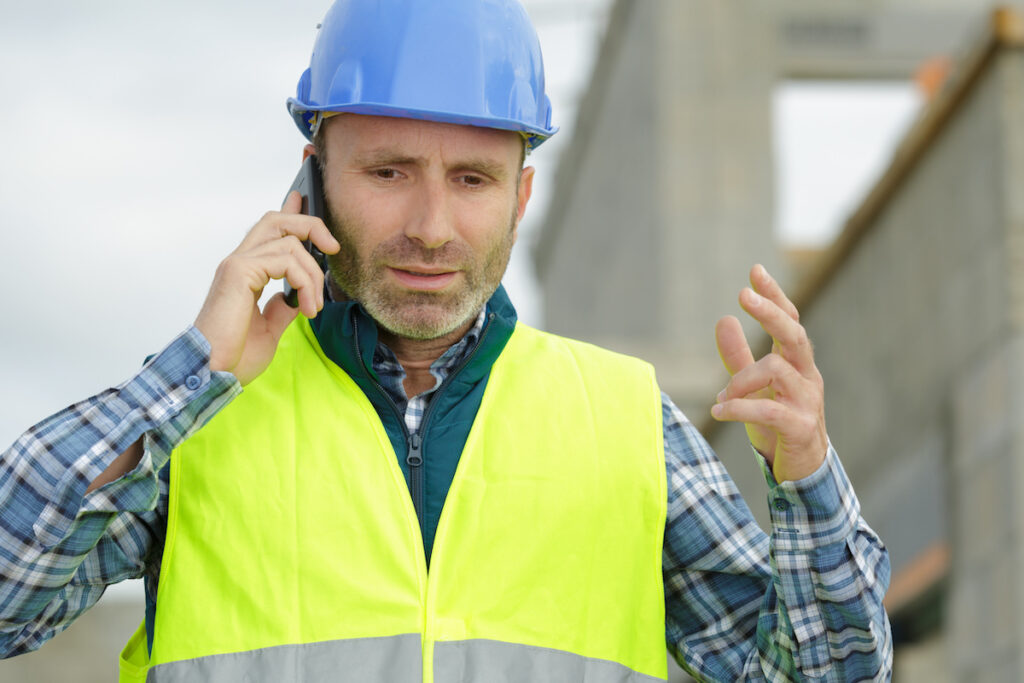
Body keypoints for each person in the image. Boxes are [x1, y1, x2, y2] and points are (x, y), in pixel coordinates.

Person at [0, 1, 892, 681]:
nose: (432, 226)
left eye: (472, 179)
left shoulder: (626, 421)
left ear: (522, 197)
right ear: (311, 180)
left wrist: (806, 481)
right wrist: (191, 371)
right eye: (388, 172)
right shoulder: (197, 417)